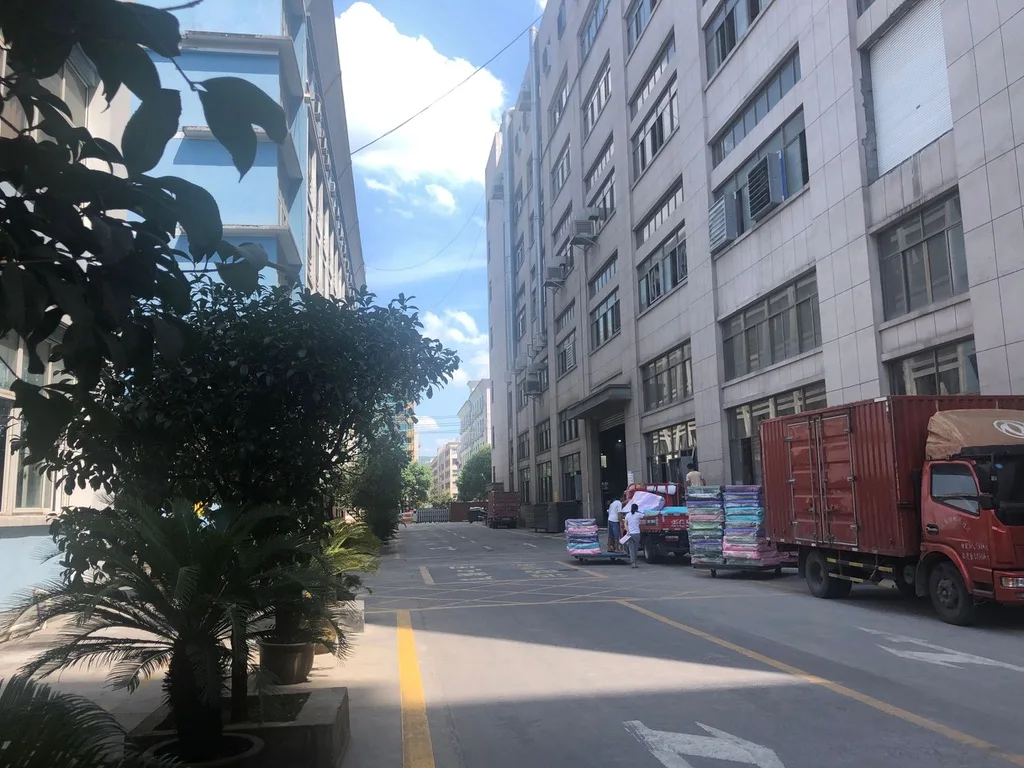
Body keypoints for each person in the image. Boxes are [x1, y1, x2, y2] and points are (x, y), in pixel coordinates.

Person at [623, 503, 643, 568]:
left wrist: (628, 531)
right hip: (636, 534)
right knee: (635, 549)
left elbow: (625, 524)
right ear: (637, 509)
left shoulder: (627, 515)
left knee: (631, 549)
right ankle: (635, 563)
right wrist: (657, 513)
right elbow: (647, 515)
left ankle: (633, 563)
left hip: (630, 534)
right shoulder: (638, 515)